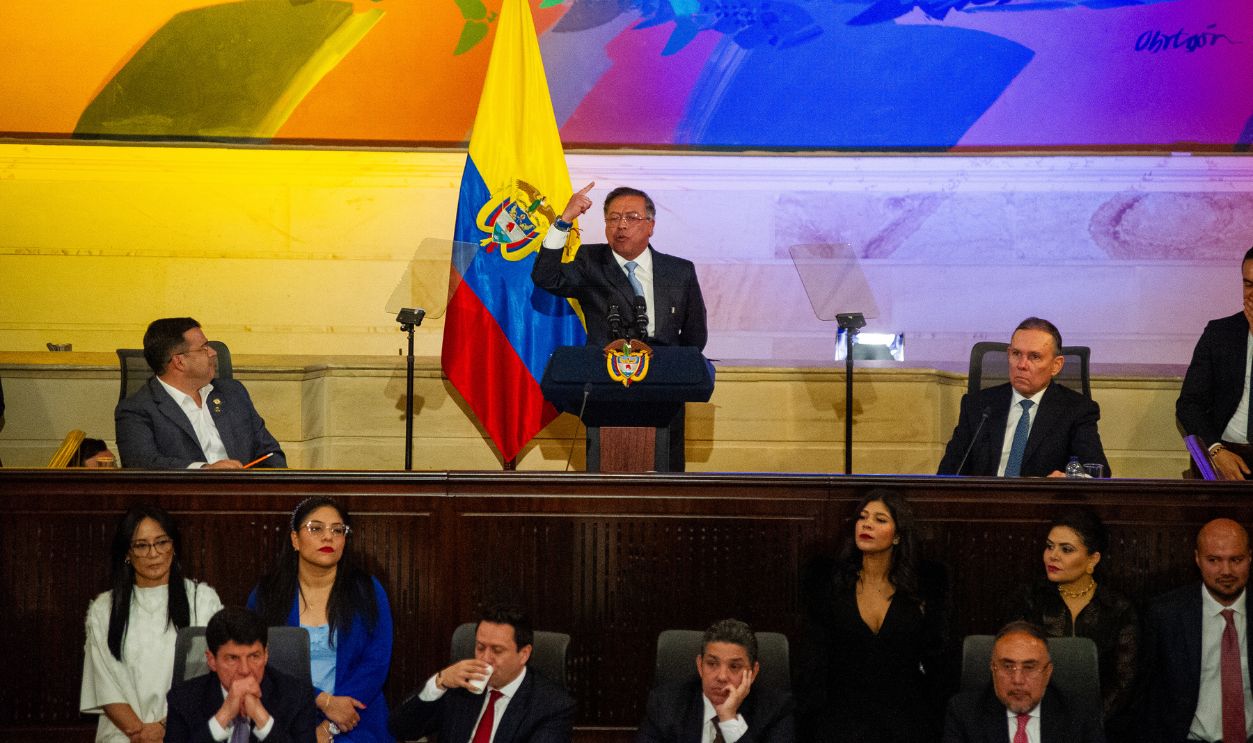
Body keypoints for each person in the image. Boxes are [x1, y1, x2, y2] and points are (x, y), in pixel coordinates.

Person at [796, 489, 948, 742]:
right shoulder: (829, 582)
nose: (867, 524)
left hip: (905, 716)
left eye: (880, 519)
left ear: (898, 534)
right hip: (841, 716)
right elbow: (814, 661)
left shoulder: (924, 586)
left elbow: (936, 660)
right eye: (862, 517)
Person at [250, 497, 393, 743]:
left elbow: (376, 661)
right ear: (295, 539)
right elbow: (254, 661)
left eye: (337, 530)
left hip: (354, 716)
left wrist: (331, 724)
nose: (328, 537)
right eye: (316, 528)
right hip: (284, 714)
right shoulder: (267, 594)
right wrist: (320, 700)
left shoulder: (367, 590)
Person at [80, 505, 223, 742]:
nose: (153, 553)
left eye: (162, 542)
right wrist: (140, 732)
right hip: (124, 734)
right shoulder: (104, 609)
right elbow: (104, 685)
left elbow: (207, 677)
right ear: (127, 552)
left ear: (173, 547)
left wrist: (164, 728)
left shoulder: (202, 600)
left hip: (187, 730)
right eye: (141, 545)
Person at [1005, 508, 1138, 742]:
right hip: (1034, 721)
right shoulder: (1029, 600)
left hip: (1103, 727)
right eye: (1049, 546)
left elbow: (1123, 682)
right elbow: (1013, 667)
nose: (1052, 556)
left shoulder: (1117, 608)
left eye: (1066, 549)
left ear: (1092, 559)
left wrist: (1085, 723)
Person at [531, 183, 708, 350]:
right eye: (614, 218)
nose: (622, 225)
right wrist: (565, 220)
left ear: (650, 226)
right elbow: (545, 276)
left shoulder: (679, 271)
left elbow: (695, 335)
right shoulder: (590, 262)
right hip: (606, 370)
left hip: (663, 371)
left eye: (632, 218)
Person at [937, 316, 1111, 477]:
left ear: (1056, 366)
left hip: (1044, 506)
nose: (1021, 365)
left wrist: (1070, 479)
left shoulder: (1077, 410)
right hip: (985, 506)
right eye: (1016, 354)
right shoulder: (978, 406)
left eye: (1034, 357)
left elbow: (1096, 471)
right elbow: (948, 473)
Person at [115, 317, 286, 469]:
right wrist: (204, 470)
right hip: (185, 500)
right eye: (204, 348)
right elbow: (142, 463)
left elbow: (271, 454)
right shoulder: (136, 409)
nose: (213, 352)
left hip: (244, 497)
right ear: (179, 361)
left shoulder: (233, 393)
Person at [388, 604, 576, 742]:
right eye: (480, 647)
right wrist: (439, 682)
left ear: (524, 654)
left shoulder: (552, 706)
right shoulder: (460, 686)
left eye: (497, 650)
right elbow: (401, 728)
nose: (485, 658)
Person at [1142, 518, 1253, 743]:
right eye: (1214, 560)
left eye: (1236, 559)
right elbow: (1147, 700)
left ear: (1250, 557)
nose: (1226, 570)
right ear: (1197, 559)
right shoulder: (1165, 615)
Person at [165, 606, 320, 742]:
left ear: (266, 655)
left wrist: (262, 718)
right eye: (233, 658)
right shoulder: (183, 699)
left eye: (254, 656)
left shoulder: (296, 696)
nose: (245, 670)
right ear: (212, 660)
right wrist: (223, 716)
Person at [942, 621, 1107, 743]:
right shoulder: (964, 713)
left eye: (1029, 667)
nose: (1018, 680)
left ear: (1047, 673)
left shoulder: (1080, 714)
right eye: (1007, 666)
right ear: (993, 669)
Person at [636, 618, 795, 743]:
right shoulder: (665, 705)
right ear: (700, 666)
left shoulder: (776, 711)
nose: (721, 676)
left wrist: (729, 720)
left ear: (753, 672)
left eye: (734, 666)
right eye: (712, 664)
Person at [1177, 247, 1253, 480]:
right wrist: (1215, 450)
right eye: (1248, 284)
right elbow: (1188, 405)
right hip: (1225, 452)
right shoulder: (1220, 334)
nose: (1252, 294)